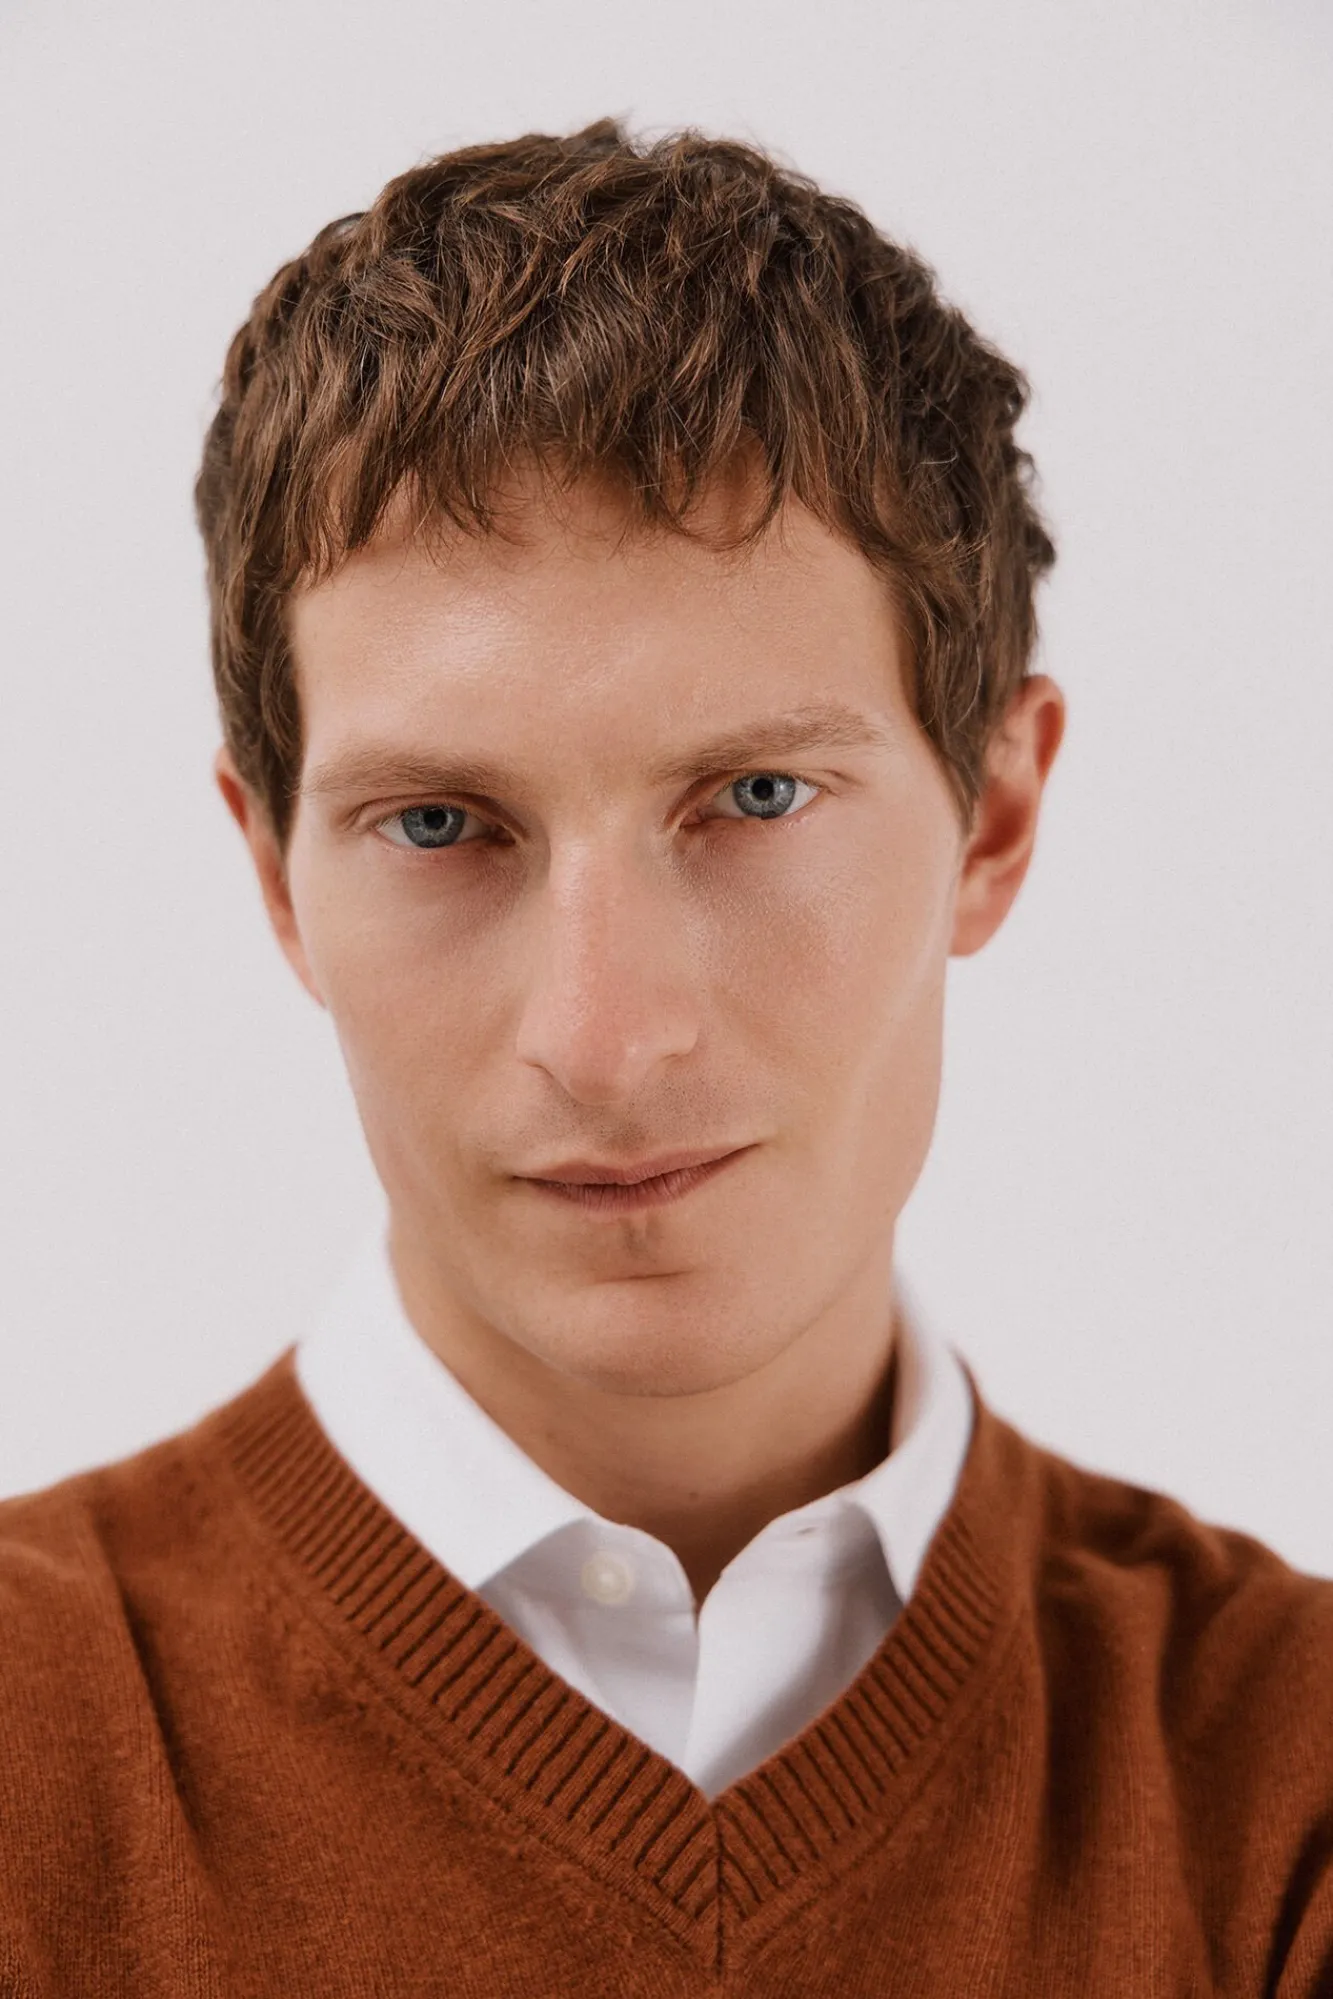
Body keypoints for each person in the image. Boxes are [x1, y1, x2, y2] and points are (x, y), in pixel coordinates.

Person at [1, 116, 1329, 1998]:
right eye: (442, 825)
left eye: (757, 796)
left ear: (995, 816)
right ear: (275, 877)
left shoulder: (1286, 1792)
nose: (606, 1038)